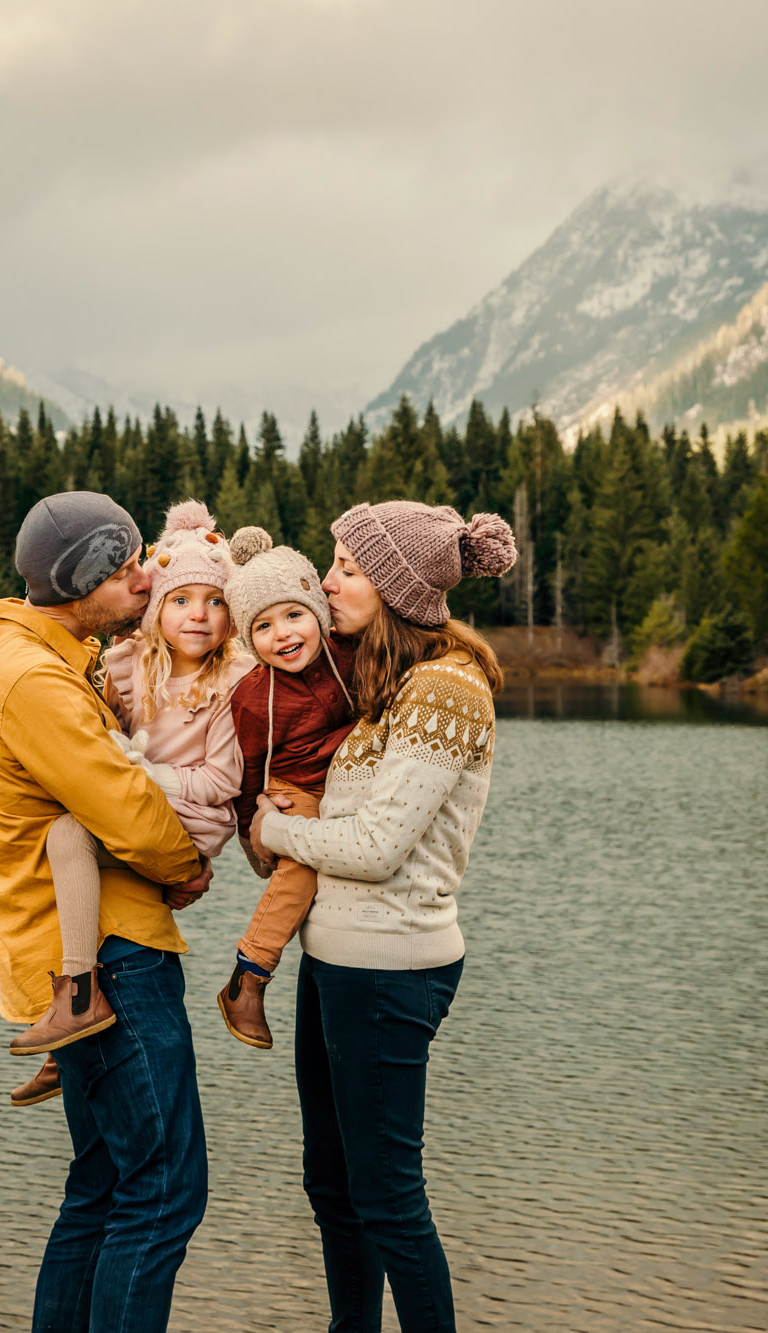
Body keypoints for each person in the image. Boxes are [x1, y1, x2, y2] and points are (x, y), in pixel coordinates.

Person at [249, 500, 515, 1333]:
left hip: (391, 967)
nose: (328, 583)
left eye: (348, 570)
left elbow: (376, 847)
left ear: (396, 589)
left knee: (388, 1195)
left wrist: (274, 826)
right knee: (332, 1184)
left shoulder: (445, 688)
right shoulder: (385, 683)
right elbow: (345, 828)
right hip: (338, 963)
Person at [0, 490, 215, 1333]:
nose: (144, 577)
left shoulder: (37, 654)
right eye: (124, 565)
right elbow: (125, 804)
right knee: (164, 1187)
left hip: (80, 958)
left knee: (103, 1186)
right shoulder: (33, 678)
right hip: (108, 960)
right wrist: (187, 864)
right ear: (77, 585)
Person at [8, 499, 254, 1092]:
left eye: (216, 601)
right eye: (180, 600)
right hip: (141, 807)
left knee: (68, 834)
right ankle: (68, 1038)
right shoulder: (126, 664)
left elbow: (221, 784)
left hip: (191, 819)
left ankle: (78, 998)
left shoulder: (233, 682)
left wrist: (143, 775)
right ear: (156, 609)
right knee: (63, 854)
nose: (198, 616)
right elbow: (97, 721)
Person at [214, 525, 357, 1048]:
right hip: (294, 788)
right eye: (264, 626)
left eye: (294, 615)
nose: (283, 634)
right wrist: (259, 832)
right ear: (248, 639)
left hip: (352, 780)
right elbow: (249, 772)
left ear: (317, 613)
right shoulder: (252, 696)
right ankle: (249, 974)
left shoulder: (349, 655)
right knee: (302, 868)